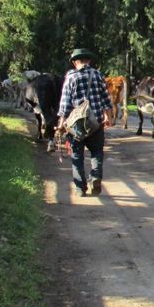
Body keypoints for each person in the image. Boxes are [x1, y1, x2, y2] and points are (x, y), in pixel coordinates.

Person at [56, 48, 114, 196]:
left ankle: (80, 188)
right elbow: (106, 99)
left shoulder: (71, 77)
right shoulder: (97, 75)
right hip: (96, 123)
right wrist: (108, 116)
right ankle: (95, 177)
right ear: (88, 61)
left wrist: (61, 123)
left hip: (76, 125)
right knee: (96, 152)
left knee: (77, 155)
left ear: (75, 62)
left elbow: (65, 104)